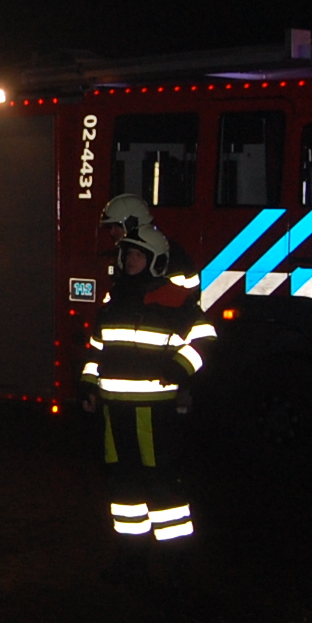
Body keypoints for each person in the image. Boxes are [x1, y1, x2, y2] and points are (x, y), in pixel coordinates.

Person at [81, 223, 215, 573]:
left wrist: (179, 369)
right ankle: (131, 560)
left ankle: (176, 565)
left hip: (154, 414)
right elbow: (97, 347)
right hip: (114, 412)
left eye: (138, 255)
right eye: (128, 254)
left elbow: (205, 340)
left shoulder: (174, 299)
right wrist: (88, 385)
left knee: (162, 487)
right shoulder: (114, 299)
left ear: (156, 260)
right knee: (123, 488)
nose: (130, 260)